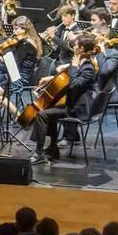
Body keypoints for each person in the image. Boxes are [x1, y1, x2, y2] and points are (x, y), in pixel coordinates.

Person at [29, 32, 98, 165]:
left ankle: (39, 153)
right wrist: (51, 80)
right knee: (49, 110)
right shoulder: (81, 64)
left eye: (76, 45)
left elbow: (73, 85)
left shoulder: (88, 67)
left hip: (77, 109)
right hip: (71, 103)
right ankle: (53, 149)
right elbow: (69, 80)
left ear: (81, 49)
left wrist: (73, 65)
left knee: (41, 115)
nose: (74, 46)